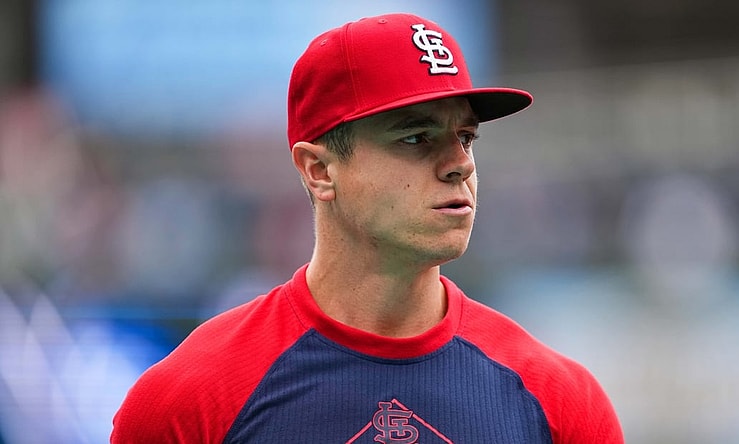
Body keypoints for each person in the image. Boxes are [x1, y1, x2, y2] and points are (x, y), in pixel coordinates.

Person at [111, 13, 624, 443]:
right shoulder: (192, 398)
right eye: (416, 138)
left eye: (465, 137)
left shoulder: (559, 402)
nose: (458, 165)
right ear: (319, 170)